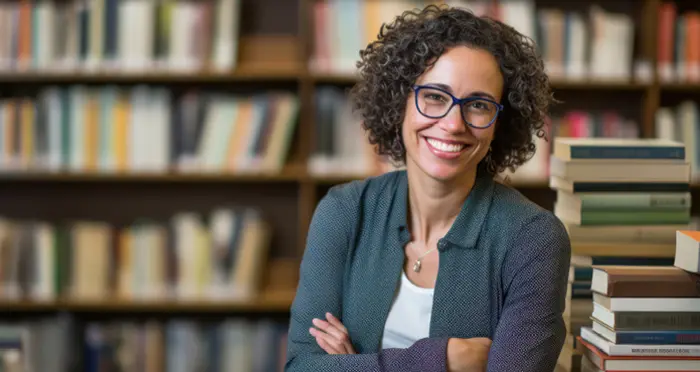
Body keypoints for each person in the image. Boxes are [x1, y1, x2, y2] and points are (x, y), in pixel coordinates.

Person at [285, 4, 571, 372]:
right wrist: (444, 360)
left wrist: (355, 364)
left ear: (501, 122)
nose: (453, 125)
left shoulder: (533, 239)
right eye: (435, 97)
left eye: (479, 105)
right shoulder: (344, 212)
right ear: (400, 101)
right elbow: (300, 367)